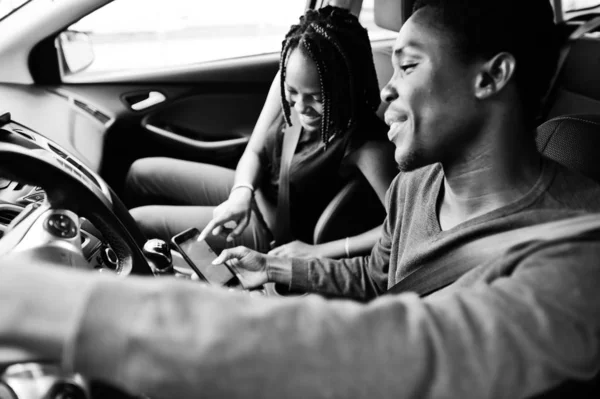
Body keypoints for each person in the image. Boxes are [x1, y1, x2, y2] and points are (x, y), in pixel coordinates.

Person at [1, 0, 600, 398]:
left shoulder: (577, 253)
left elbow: (409, 352)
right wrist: (277, 264)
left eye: (409, 64)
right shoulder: (420, 186)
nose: (387, 86)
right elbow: (380, 273)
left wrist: (43, 302)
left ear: (491, 77)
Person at [124, 6, 397, 259]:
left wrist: (318, 252)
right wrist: (240, 194)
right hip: (253, 195)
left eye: (316, 97)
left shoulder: (366, 144)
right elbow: (254, 151)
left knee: (137, 222)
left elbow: (401, 226)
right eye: (292, 92)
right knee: (140, 172)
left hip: (272, 232)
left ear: (344, 88)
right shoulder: (286, 80)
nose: (301, 106)